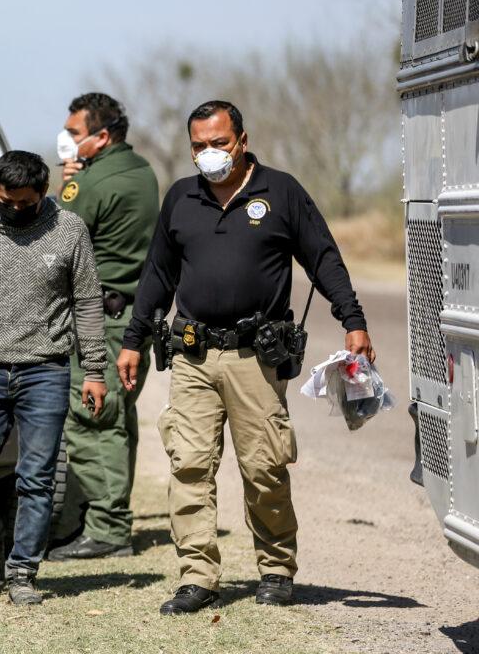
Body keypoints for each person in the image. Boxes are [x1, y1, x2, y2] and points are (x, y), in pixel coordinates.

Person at [118, 100, 374, 615]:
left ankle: (276, 569)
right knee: (189, 465)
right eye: (198, 145)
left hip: (255, 359)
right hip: (192, 357)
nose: (208, 154)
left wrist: (354, 321)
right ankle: (198, 577)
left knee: (265, 469)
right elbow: (159, 275)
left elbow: (323, 257)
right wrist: (133, 338)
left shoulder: (280, 192)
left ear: (242, 139)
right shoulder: (181, 198)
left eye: (218, 142)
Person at [0, 150, 108, 605]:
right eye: (6, 201)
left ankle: (22, 571)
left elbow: (88, 301)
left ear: (44, 193)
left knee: (37, 477)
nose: (15, 210)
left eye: (25, 203)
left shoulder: (69, 230)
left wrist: (93, 369)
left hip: (46, 371)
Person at [49, 93, 160, 562]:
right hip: (132, 319)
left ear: (102, 134)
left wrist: (66, 188)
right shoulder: (141, 171)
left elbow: (52, 238)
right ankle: (105, 521)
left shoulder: (90, 184)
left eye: (74, 133)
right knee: (117, 419)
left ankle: (108, 531)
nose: (67, 141)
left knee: (92, 418)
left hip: (101, 322)